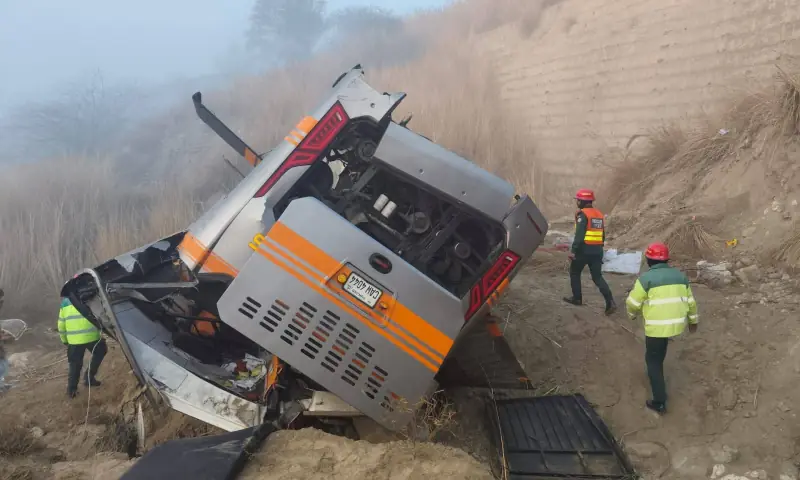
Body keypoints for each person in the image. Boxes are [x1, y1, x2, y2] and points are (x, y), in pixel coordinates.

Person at [625, 242, 698, 415]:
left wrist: (632, 315)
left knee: (653, 362)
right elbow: (691, 303)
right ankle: (659, 366)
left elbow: (632, 303)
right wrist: (693, 322)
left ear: (648, 261)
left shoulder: (645, 279)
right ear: (666, 260)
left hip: (657, 328)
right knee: (660, 351)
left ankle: (659, 402)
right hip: (676, 324)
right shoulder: (680, 277)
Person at [562, 188, 617, 315]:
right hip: (597, 250)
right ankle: (610, 302)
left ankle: (577, 298)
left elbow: (579, 235)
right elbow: (602, 235)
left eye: (578, 200)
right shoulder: (598, 214)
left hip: (583, 250)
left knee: (575, 272)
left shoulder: (583, 214)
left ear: (582, 201)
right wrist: (600, 248)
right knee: (597, 277)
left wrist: (573, 251)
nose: (577, 202)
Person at [58, 295, 107, 398]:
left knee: (75, 364)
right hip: (92, 336)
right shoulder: (90, 297)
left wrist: (64, 340)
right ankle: (89, 377)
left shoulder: (65, 302)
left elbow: (61, 325)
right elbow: (100, 316)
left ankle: (72, 391)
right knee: (101, 351)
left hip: (74, 340)